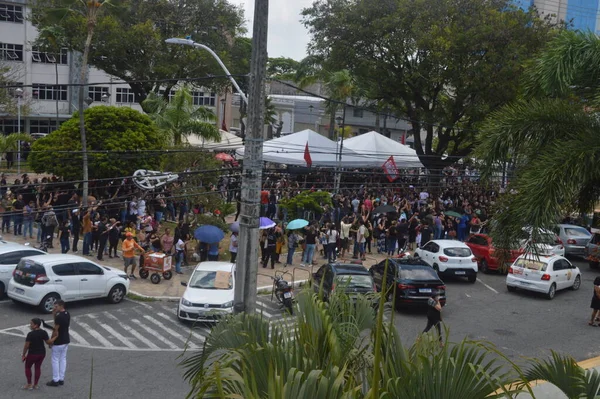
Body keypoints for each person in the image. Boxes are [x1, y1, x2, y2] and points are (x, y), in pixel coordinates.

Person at [44, 300, 70, 387]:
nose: (54, 308)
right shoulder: (67, 314)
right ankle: (61, 379)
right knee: (63, 359)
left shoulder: (59, 317)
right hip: (66, 339)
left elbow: (55, 329)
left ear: (61, 306)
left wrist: (51, 341)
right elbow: (58, 322)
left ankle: (55, 379)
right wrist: (54, 314)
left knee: (55, 360)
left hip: (58, 341)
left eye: (56, 306)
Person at [22, 318, 51, 390]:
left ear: (36, 325)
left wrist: (23, 354)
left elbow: (26, 346)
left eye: (31, 324)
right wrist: (55, 337)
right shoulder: (43, 332)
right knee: (37, 368)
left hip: (32, 354)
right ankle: (35, 384)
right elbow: (48, 342)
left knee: (28, 367)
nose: (30, 325)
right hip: (42, 354)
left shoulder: (30, 334)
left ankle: (29, 384)